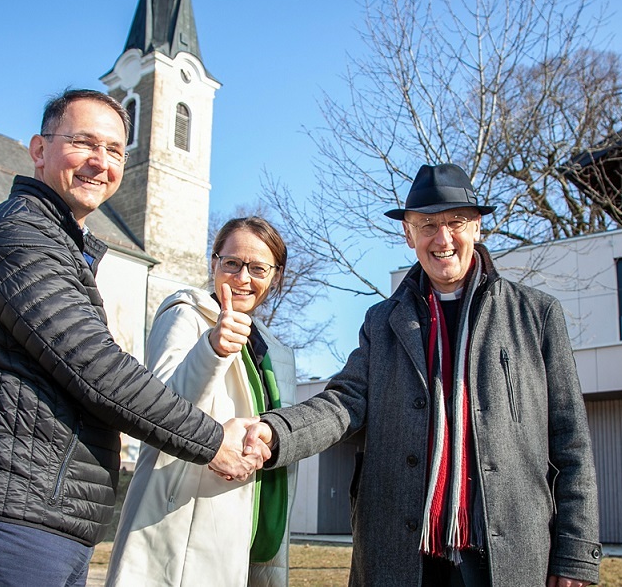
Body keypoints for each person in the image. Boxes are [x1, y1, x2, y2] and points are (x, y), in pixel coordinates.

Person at [0, 90, 267, 587]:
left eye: (113, 150)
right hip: (7, 519)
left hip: (47, 519)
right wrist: (214, 440)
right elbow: (98, 370)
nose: (100, 162)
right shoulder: (21, 236)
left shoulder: (63, 244)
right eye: (84, 143)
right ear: (39, 150)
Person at [246, 163, 603, 586]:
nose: (443, 238)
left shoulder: (536, 314)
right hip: (402, 554)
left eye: (456, 222)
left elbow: (570, 442)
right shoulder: (382, 322)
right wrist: (274, 432)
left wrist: (576, 556)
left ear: (478, 227)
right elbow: (342, 402)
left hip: (511, 553)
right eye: (428, 224)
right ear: (408, 234)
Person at [105, 216, 298, 587]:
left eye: (258, 268)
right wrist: (213, 348)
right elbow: (156, 409)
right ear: (214, 264)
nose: (243, 278)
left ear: (276, 277)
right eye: (231, 263)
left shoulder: (276, 353)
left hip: (250, 531)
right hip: (179, 528)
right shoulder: (186, 317)